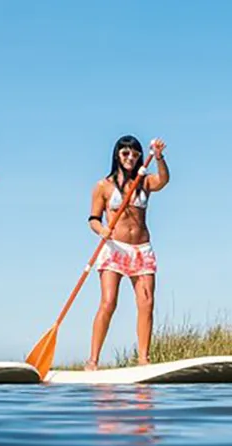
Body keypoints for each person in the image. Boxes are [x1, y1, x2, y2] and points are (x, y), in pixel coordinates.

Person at [85, 135, 169, 371]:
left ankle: (143, 358)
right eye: (125, 153)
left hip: (141, 250)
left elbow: (163, 180)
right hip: (114, 250)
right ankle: (92, 361)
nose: (130, 158)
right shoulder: (103, 186)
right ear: (117, 155)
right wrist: (101, 229)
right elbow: (93, 218)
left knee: (146, 302)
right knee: (108, 302)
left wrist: (159, 157)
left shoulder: (144, 182)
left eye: (135, 154)